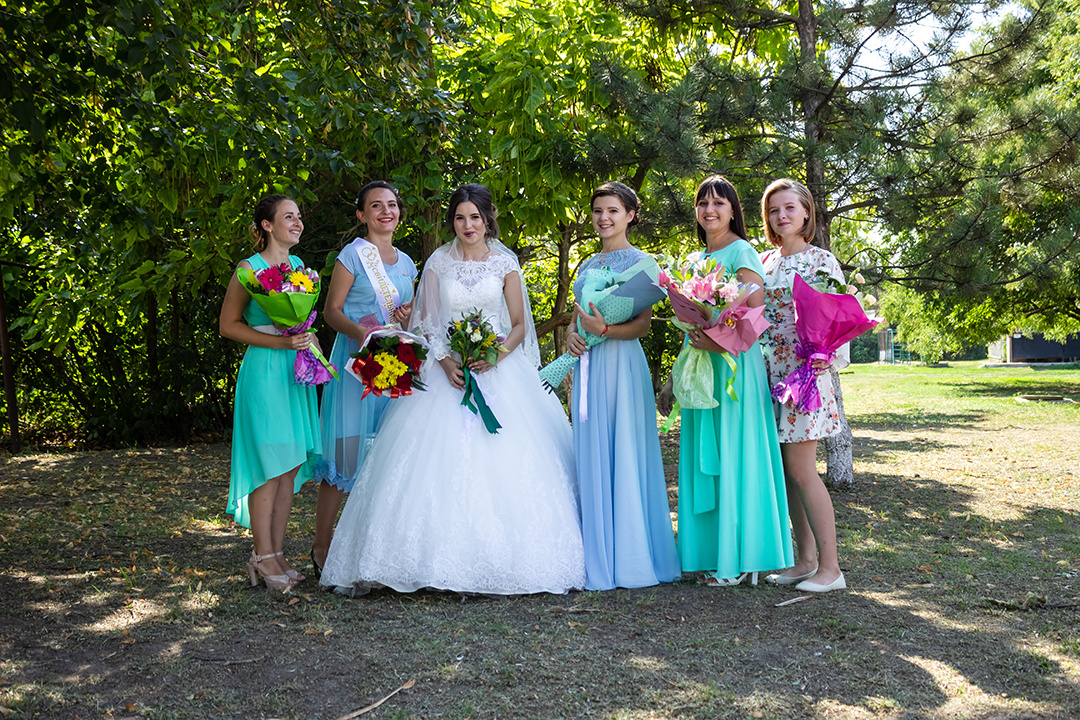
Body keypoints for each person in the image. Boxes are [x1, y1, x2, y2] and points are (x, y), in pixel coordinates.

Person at [320, 183, 586, 596]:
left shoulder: (504, 263)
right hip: (447, 369)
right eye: (460, 218)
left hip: (498, 370)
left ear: (487, 219)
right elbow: (424, 322)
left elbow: (518, 323)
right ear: (453, 222)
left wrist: (497, 355)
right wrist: (444, 360)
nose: (467, 225)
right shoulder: (436, 263)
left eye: (475, 217)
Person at [657, 175, 793, 586]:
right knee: (705, 459)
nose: (710, 210)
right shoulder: (694, 260)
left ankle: (743, 559)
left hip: (734, 370)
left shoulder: (742, 251)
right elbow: (688, 327)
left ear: (734, 210)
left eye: (719, 202)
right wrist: (672, 382)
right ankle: (711, 553)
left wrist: (719, 345)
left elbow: (756, 317)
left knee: (735, 456)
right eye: (702, 202)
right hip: (700, 369)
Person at [566, 181, 680, 591]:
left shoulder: (644, 263)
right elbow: (578, 317)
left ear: (630, 215)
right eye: (598, 211)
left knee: (626, 449)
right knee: (594, 448)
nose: (603, 218)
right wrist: (573, 337)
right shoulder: (586, 266)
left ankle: (631, 555)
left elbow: (643, 326)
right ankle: (597, 552)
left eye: (612, 210)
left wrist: (605, 329)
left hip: (622, 363)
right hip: (589, 365)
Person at [310, 182, 417, 580]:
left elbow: (406, 314)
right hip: (357, 361)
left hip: (396, 363)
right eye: (376, 206)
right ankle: (321, 545)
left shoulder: (407, 263)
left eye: (391, 205)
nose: (386, 212)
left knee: (385, 457)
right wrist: (360, 334)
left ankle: (370, 551)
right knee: (346, 455)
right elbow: (331, 312)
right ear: (361, 215)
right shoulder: (352, 256)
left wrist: (405, 316)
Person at [219, 195, 321, 590]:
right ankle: (261, 556)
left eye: (299, 216)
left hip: (295, 372)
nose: (297, 223)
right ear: (266, 225)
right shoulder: (249, 269)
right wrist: (280, 343)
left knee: (290, 464)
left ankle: (275, 553)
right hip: (264, 371)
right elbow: (228, 325)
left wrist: (306, 336)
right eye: (288, 217)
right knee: (269, 464)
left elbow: (300, 317)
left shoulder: (298, 268)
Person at [758, 178, 848, 593]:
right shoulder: (763, 262)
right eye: (775, 210)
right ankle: (804, 559)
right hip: (768, 375)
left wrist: (825, 358)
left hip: (805, 377)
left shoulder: (821, 262)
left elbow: (842, 321)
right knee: (785, 470)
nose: (782, 216)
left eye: (790, 208)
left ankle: (831, 568)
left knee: (802, 469)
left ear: (807, 212)